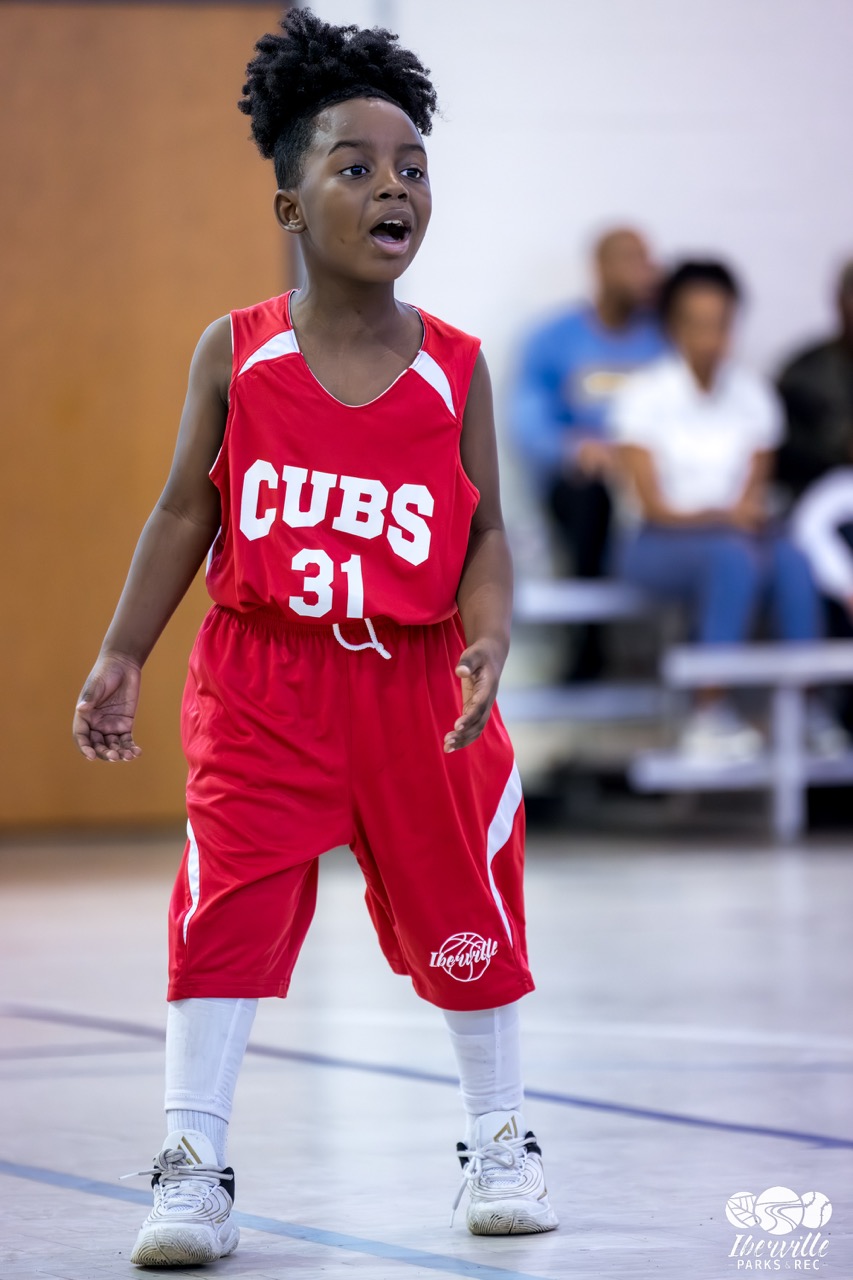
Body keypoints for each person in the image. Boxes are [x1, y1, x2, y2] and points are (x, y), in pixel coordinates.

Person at [71, 10, 557, 1266]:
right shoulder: (236, 352)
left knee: (469, 907)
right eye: (356, 166)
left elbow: (486, 530)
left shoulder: (456, 366)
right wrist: (124, 649)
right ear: (290, 204)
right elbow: (185, 510)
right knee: (221, 914)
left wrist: (489, 634)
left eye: (412, 167)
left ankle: (501, 1137)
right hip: (264, 678)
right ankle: (192, 1164)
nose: (393, 186)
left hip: (419, 685)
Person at [609, 260, 845, 761]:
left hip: (732, 538)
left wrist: (734, 519)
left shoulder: (753, 395)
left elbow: (752, 496)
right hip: (653, 543)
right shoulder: (643, 396)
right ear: (674, 327)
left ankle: (806, 706)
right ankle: (708, 712)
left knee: (793, 558)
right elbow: (655, 506)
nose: (712, 337)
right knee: (731, 556)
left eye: (721, 324)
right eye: (699, 323)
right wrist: (724, 519)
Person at [510, 227, 666, 680]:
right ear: (601, 267)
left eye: (647, 261)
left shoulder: (662, 341)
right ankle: (589, 644)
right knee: (589, 498)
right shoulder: (554, 338)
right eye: (631, 260)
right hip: (584, 484)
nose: (644, 272)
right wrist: (574, 448)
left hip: (648, 479)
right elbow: (529, 420)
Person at [776, 259, 853, 501]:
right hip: (819, 499)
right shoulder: (804, 374)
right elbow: (782, 453)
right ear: (840, 302)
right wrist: (840, 447)